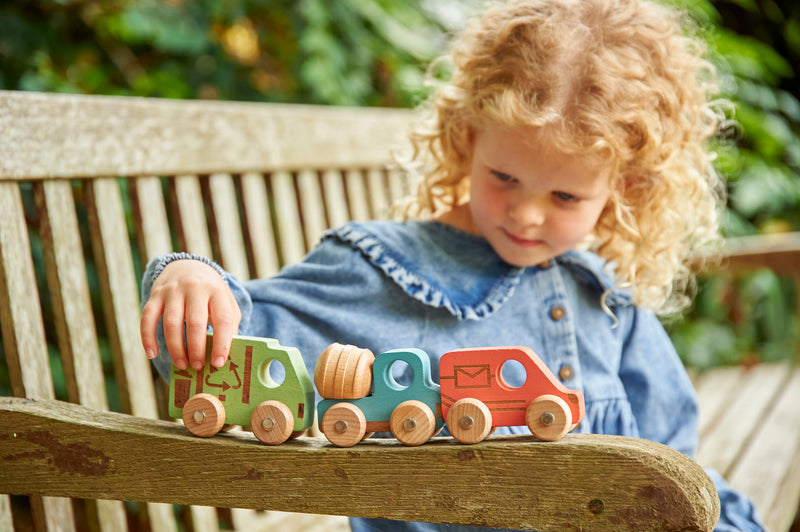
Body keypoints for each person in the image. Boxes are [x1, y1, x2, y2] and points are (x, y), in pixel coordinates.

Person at [140, 0, 764, 530]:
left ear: (624, 188)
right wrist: (191, 276)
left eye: (565, 197)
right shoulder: (378, 271)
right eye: (504, 177)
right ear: (468, 138)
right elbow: (228, 350)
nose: (526, 214)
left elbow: (673, 462)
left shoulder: (599, 296)